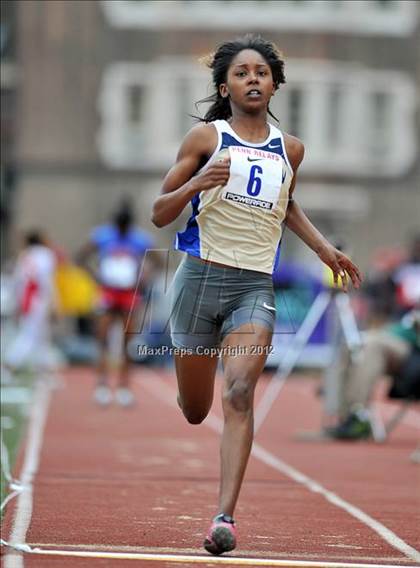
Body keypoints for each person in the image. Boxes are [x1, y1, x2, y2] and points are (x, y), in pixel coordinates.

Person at [151, 35, 362, 555]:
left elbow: (286, 204)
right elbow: (159, 212)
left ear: (273, 84)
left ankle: (224, 517)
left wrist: (323, 250)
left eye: (261, 73)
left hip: (253, 286)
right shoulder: (206, 138)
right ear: (226, 86)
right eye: (242, 73)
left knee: (240, 394)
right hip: (198, 282)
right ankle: (188, 387)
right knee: (197, 410)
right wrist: (200, 181)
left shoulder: (290, 148)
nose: (252, 79)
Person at [77, 200, 154, 407]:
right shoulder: (103, 235)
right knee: (102, 338)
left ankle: (124, 388)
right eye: (120, 226)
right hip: (107, 292)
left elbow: (155, 260)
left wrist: (144, 277)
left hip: (129, 293)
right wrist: (95, 276)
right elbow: (81, 256)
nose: (122, 230)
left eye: (125, 226)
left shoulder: (139, 239)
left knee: (127, 343)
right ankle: (102, 386)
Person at [329, 309, 420, 440]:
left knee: (373, 345)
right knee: (352, 344)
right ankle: (345, 415)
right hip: (391, 336)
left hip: (412, 351)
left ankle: (359, 414)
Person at [3, 230, 57, 375]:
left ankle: (45, 371)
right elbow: (46, 280)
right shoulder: (45, 254)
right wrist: (53, 302)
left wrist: (17, 302)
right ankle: (8, 364)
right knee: (29, 334)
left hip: (27, 297)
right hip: (38, 298)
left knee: (42, 335)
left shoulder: (25, 255)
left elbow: (17, 280)